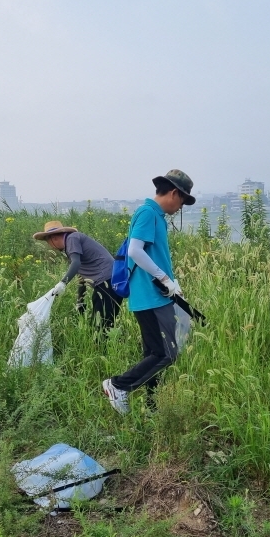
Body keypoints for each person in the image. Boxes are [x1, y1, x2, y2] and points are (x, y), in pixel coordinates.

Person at [102, 169, 195, 414]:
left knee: (154, 353)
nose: (181, 207)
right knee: (167, 353)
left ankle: (152, 406)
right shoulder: (147, 213)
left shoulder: (155, 215)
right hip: (150, 296)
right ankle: (118, 385)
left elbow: (154, 256)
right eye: (183, 200)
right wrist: (164, 279)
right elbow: (134, 251)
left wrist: (174, 285)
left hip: (157, 294)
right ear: (174, 193)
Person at [33, 220, 122, 331]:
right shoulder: (71, 244)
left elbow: (76, 264)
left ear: (53, 238)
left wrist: (62, 283)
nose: (51, 247)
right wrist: (80, 301)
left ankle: (99, 347)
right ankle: (102, 347)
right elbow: (81, 274)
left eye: (48, 243)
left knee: (101, 326)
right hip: (111, 281)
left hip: (106, 281)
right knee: (104, 324)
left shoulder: (72, 239)